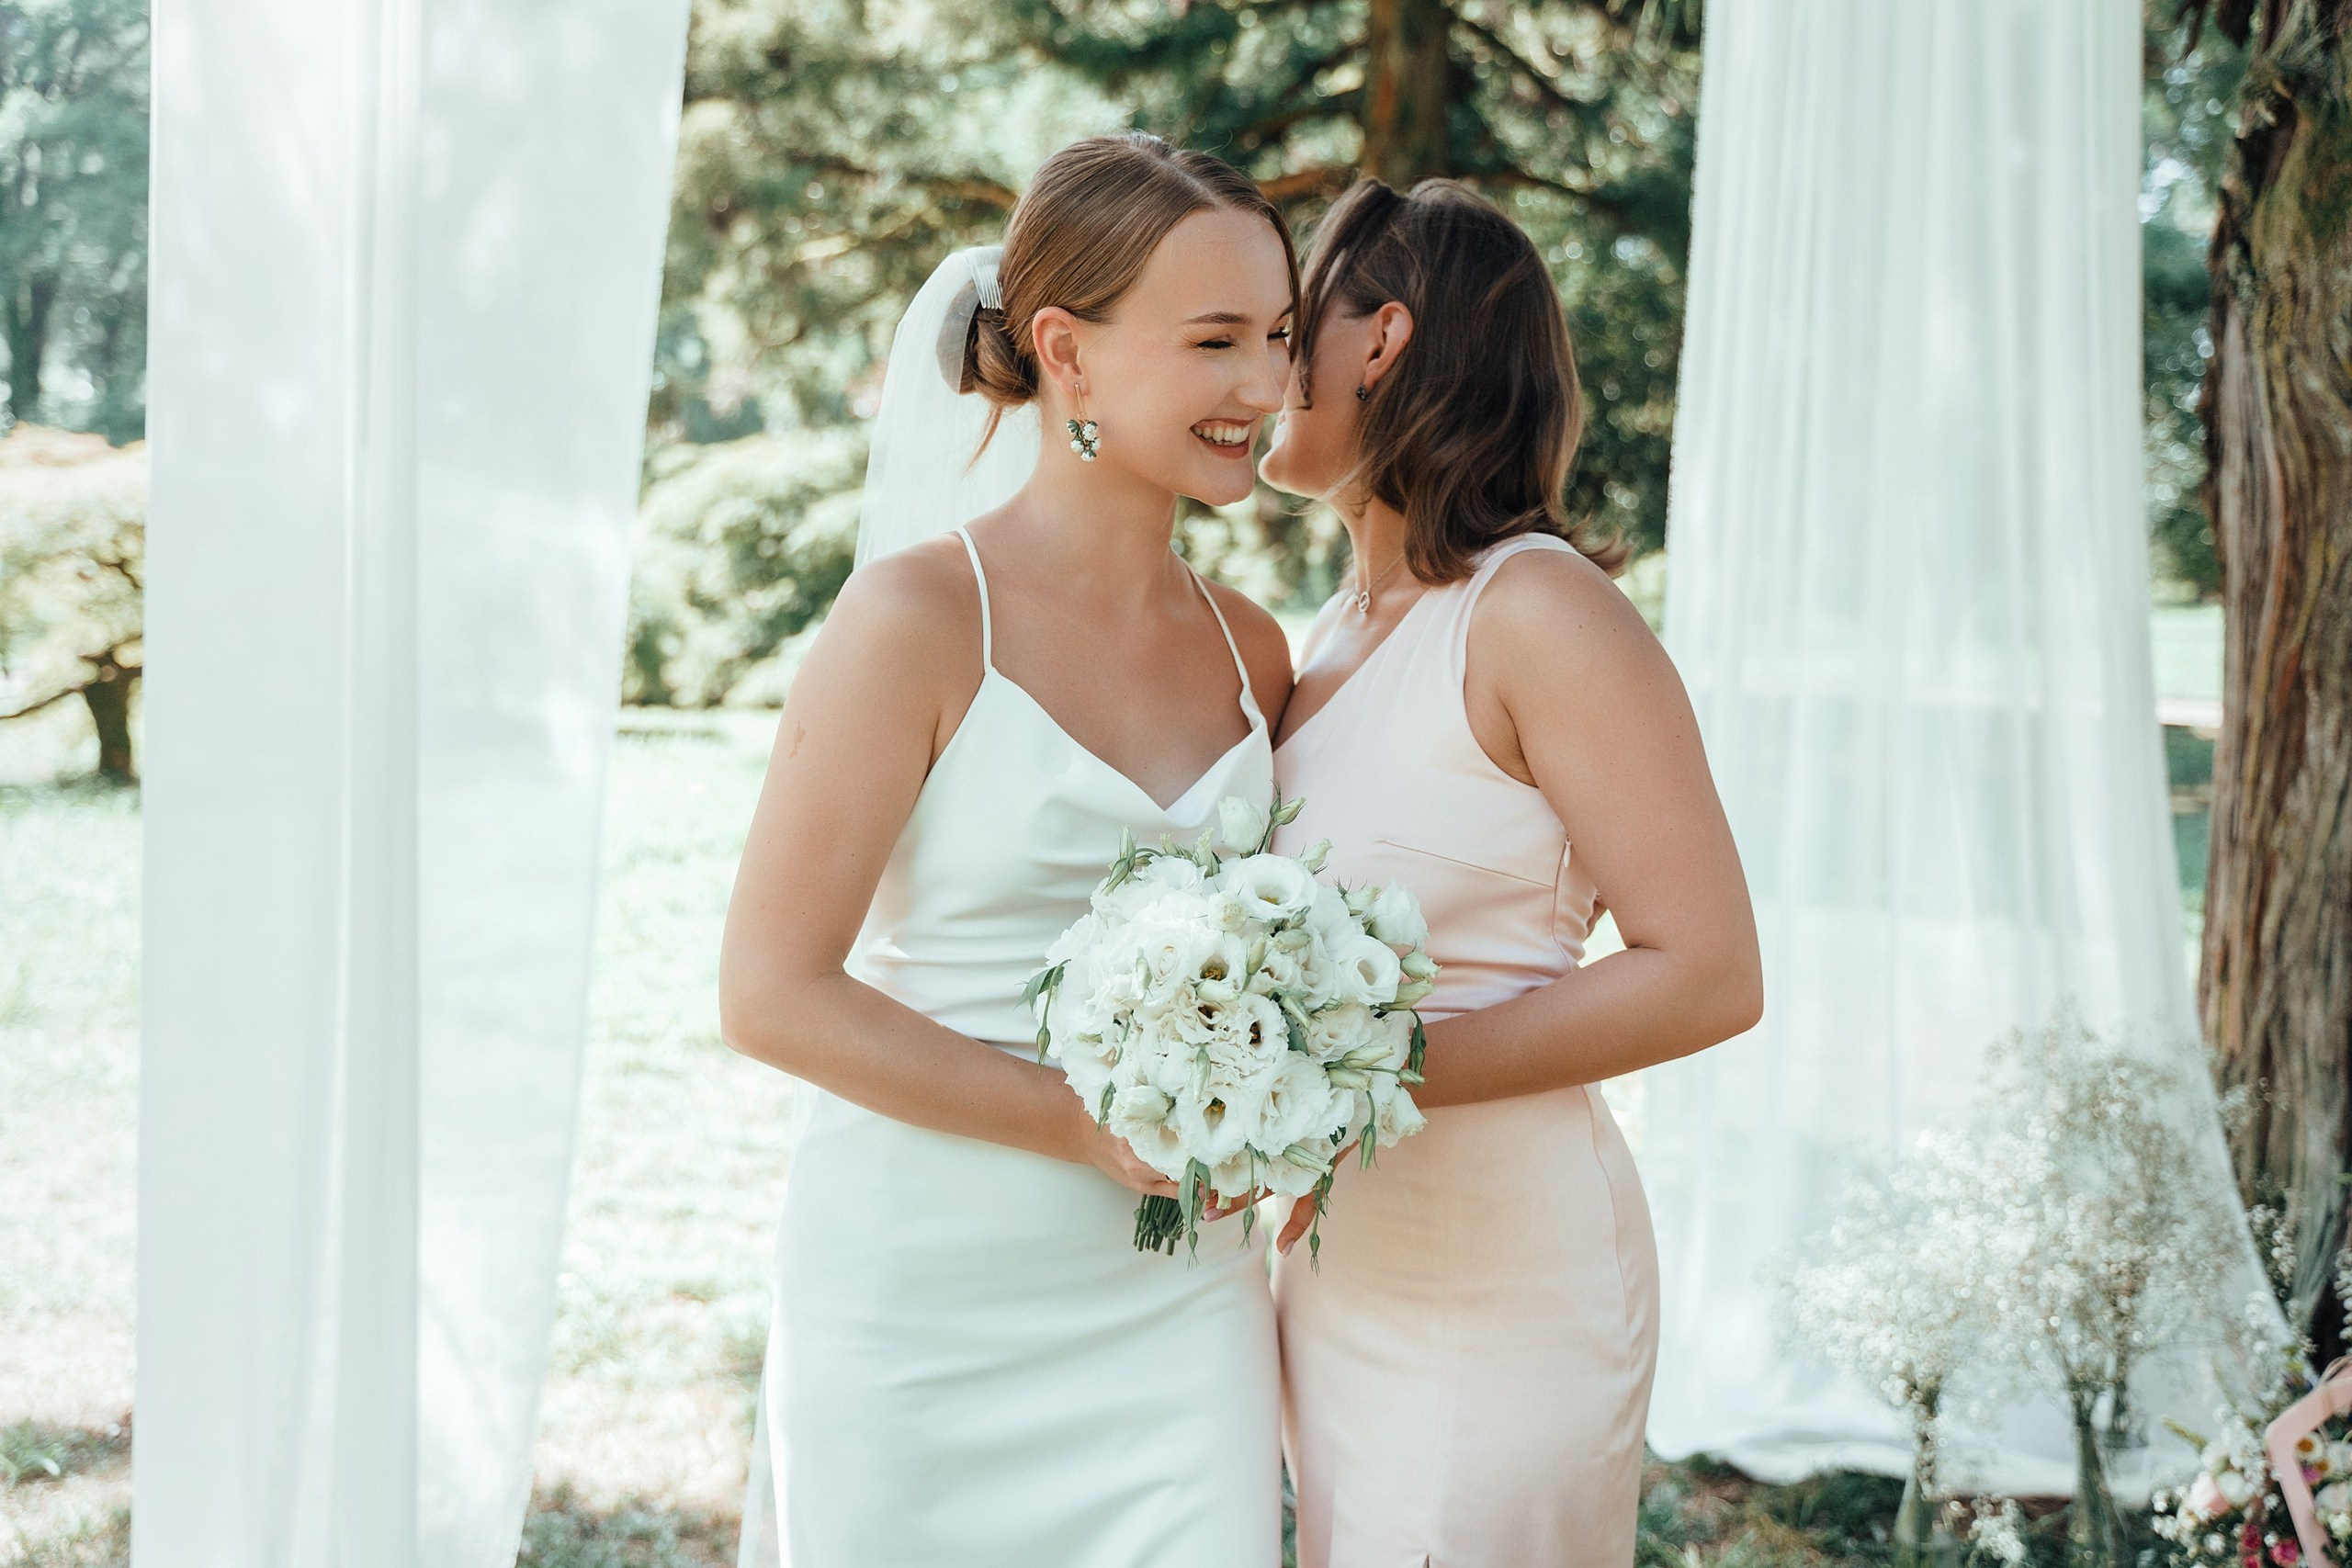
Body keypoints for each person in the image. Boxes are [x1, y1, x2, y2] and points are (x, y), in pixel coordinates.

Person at [716, 133, 1300, 1567]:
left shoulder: (1254, 652)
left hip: (1179, 1309)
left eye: (1281, 339)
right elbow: (771, 993)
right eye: (1215, 341)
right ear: (1068, 355)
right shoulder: (915, 624)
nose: (1265, 388)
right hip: (925, 1305)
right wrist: (1067, 1121)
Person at [1260, 177, 1765, 1568]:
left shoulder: (1537, 608)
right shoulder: (1330, 634)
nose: (1260, 357)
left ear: (1380, 341)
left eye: (1289, 321)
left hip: (1500, 1279)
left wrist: (1358, 1073)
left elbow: (1708, 971)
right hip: (1335, 1268)